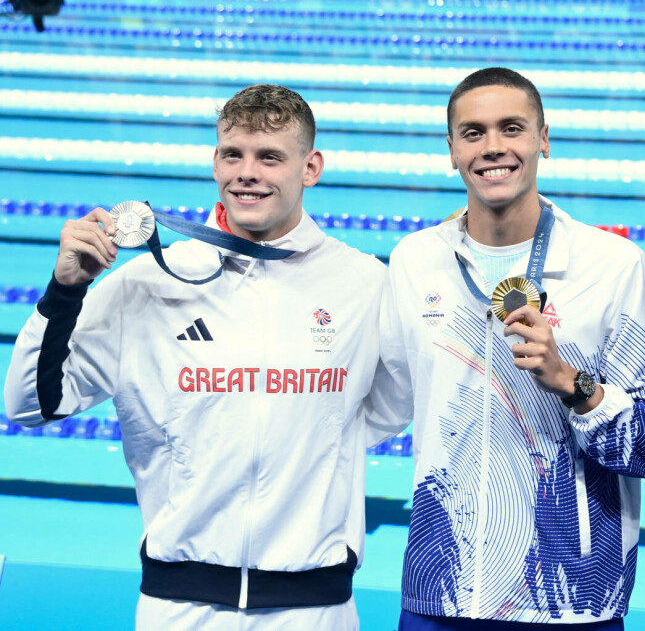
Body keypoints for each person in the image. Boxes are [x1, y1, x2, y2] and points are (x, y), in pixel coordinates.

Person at [5, 84, 387, 629]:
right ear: (215, 162)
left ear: (311, 167)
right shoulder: (146, 282)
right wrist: (65, 290)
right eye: (234, 154)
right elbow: (27, 404)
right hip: (178, 607)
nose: (247, 172)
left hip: (315, 609)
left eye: (270, 157)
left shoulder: (363, 284)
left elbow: (388, 409)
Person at [369, 67, 645, 627]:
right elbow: (379, 408)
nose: (493, 147)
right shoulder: (415, 261)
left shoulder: (611, 267)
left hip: (571, 602)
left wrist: (574, 384)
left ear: (543, 138)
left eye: (511, 128)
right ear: (451, 150)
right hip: (440, 596)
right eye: (473, 132)